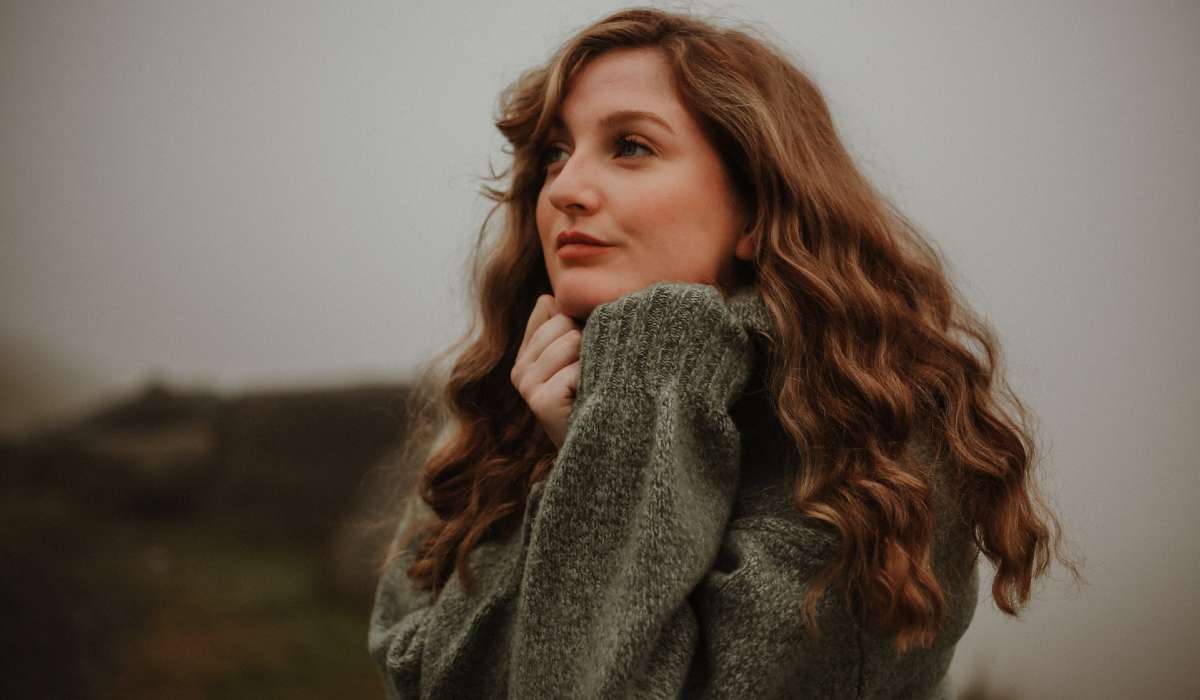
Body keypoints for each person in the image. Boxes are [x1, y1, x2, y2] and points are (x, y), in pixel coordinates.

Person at [367, 7, 1077, 698]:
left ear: (756, 206)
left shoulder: (869, 446)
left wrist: (623, 415)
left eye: (631, 147)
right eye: (556, 153)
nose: (567, 190)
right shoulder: (494, 424)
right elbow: (416, 664)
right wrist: (575, 445)